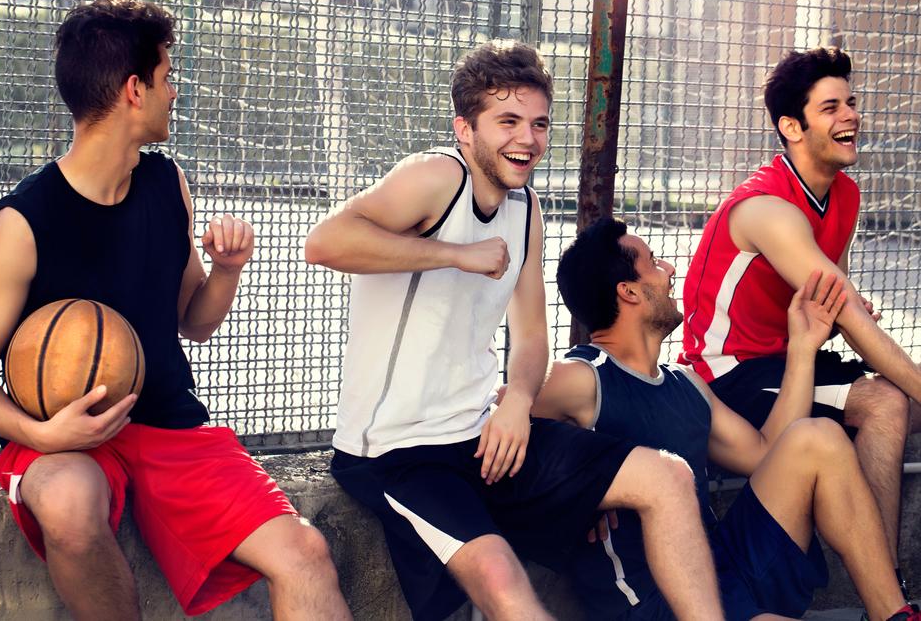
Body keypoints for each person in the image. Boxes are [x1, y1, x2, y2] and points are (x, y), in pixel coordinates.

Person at [0, 0, 351, 621]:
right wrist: (43, 434)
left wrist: (225, 271)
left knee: (304, 552)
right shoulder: (24, 221)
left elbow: (193, 320)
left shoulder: (168, 184)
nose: (176, 92)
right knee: (67, 507)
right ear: (135, 89)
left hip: (168, 422)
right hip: (63, 435)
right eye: (170, 77)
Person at [305, 39, 724, 621]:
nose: (527, 139)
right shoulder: (434, 177)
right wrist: (455, 254)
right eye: (508, 121)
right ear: (465, 128)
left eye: (539, 123)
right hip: (397, 451)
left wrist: (519, 400)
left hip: (485, 433)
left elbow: (531, 337)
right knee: (504, 582)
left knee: (668, 478)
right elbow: (323, 242)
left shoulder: (525, 209)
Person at [533, 217, 919, 620]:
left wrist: (803, 346)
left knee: (818, 438)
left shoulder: (686, 384)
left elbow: (767, 452)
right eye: (653, 262)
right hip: (656, 601)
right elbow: (497, 418)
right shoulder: (583, 375)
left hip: (721, 567)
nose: (669, 269)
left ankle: (892, 614)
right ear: (628, 291)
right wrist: (576, 496)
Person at [679, 47, 920, 589]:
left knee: (904, 408)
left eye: (851, 103)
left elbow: (837, 311)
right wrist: (851, 319)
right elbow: (853, 319)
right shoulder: (767, 208)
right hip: (730, 373)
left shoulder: (846, 194)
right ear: (791, 126)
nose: (851, 116)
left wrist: (845, 319)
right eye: (831, 107)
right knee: (886, 402)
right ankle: (889, 594)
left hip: (795, 354)